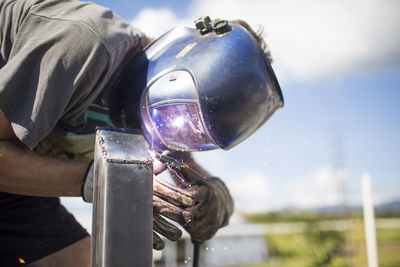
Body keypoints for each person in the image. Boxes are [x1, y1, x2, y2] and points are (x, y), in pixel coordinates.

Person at [0, 0, 282, 266]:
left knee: (76, 260)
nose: (179, 129)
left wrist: (217, 197)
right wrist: (100, 182)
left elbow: (189, 177)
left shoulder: (166, 110)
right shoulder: (86, 46)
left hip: (16, 171)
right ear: (184, 53)